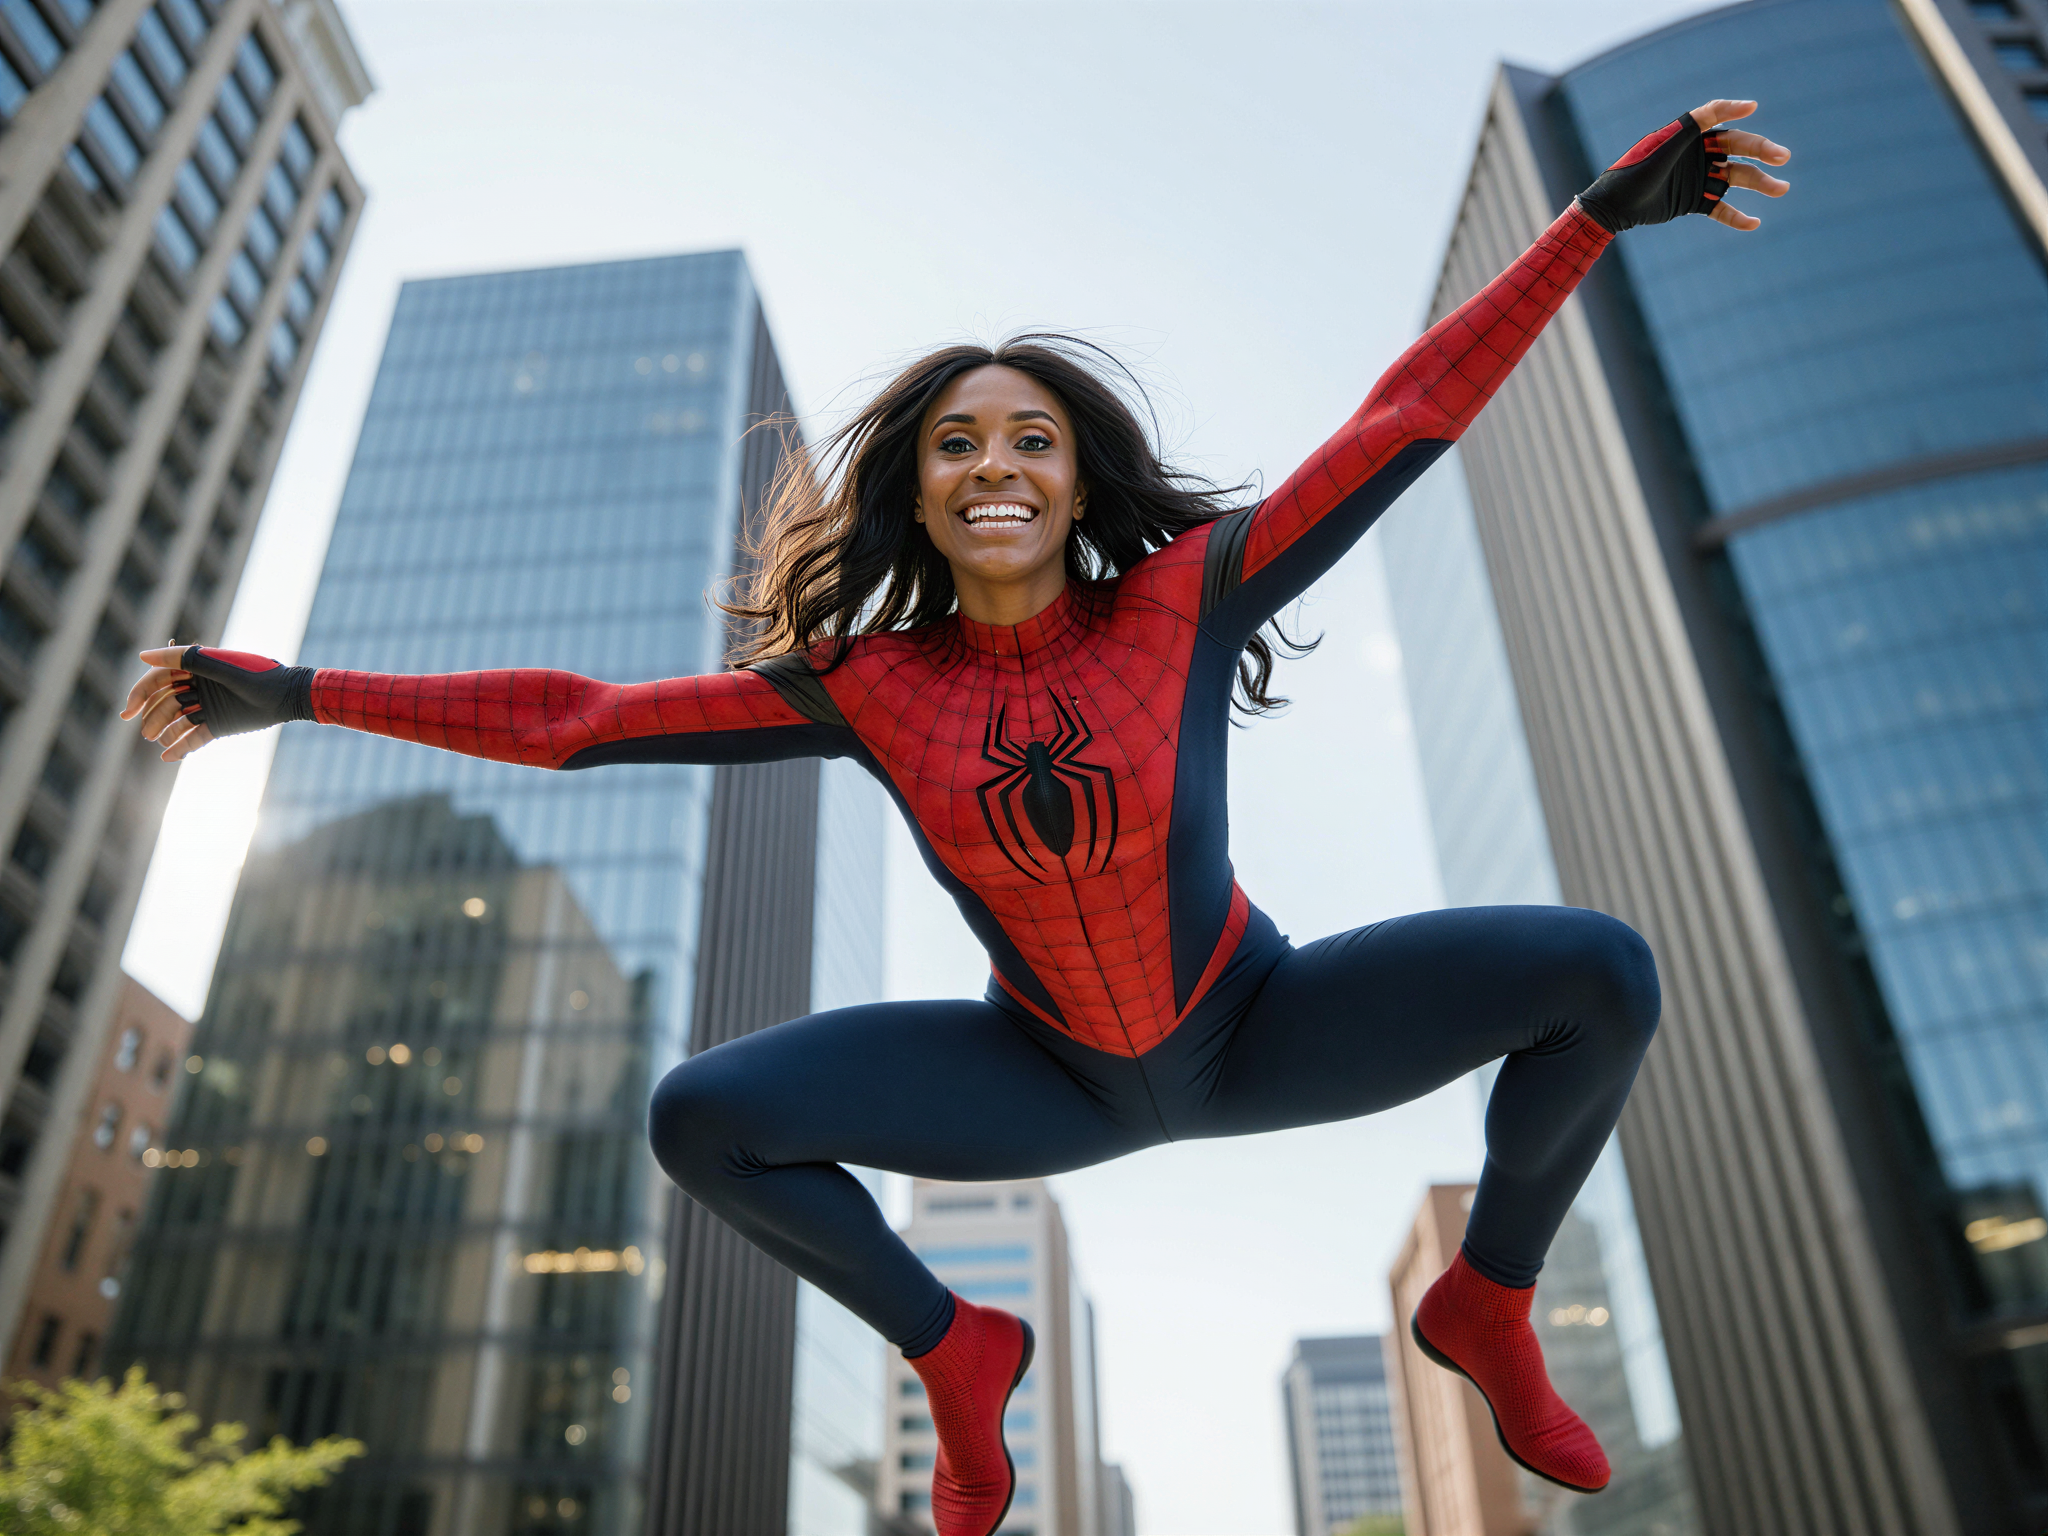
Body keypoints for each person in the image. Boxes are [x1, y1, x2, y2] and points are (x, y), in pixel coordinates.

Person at [125, 100, 1788, 1534]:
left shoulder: (1192, 592)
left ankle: (1489, 1301)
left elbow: (1404, 417)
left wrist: (1590, 218)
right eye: (957, 443)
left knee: (1599, 972)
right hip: (1040, 1072)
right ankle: (956, 1346)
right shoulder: (863, 683)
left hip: (1260, 1023)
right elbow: (579, 723)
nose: (996, 463)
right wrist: (301, 690)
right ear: (917, 489)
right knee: (702, 1116)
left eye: (1032, 439)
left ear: (1074, 478)